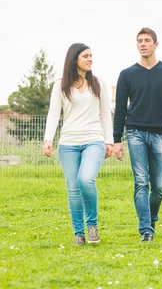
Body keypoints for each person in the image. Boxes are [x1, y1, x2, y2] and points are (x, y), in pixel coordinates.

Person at [113, 27, 162, 243]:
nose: (143, 44)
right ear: (137, 45)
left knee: (159, 186)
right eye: (140, 41)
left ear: (156, 44)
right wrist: (116, 140)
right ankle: (146, 230)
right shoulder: (127, 74)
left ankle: (151, 218)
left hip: (160, 135)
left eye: (147, 40)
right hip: (135, 132)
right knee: (141, 182)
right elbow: (121, 109)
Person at [43, 43, 113, 246]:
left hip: (94, 139)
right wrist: (48, 139)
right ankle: (78, 233)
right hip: (68, 143)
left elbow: (105, 113)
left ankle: (92, 225)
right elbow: (54, 114)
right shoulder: (60, 85)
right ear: (75, 60)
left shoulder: (98, 83)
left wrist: (108, 140)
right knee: (73, 189)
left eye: (91, 56)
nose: (90, 59)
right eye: (86, 56)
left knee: (86, 179)